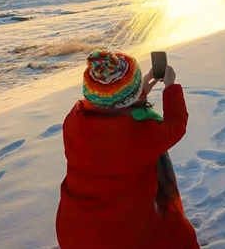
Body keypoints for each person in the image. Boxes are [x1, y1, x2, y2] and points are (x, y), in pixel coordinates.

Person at [56, 50, 199, 249]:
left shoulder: (74, 118)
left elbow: (111, 106)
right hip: (119, 236)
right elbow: (175, 127)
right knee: (176, 237)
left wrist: (141, 90)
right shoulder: (137, 134)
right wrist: (170, 87)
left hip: (73, 230)